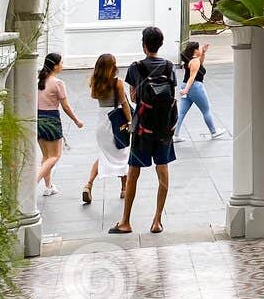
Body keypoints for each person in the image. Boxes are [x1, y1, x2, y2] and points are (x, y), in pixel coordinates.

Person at [109, 26, 177, 236]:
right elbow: (171, 93)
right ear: (160, 44)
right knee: (163, 172)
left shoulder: (135, 67)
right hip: (164, 129)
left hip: (142, 129)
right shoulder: (168, 65)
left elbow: (133, 97)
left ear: (144, 45)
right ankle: (157, 220)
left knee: (133, 174)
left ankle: (126, 221)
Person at [83, 52, 131, 206]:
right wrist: (130, 121)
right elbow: (123, 103)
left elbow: (95, 97)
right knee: (122, 154)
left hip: (101, 121)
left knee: (104, 155)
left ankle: (88, 184)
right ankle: (124, 188)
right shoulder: (117, 82)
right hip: (115, 120)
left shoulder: (95, 82)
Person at [36, 53, 83, 196]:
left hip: (38, 118)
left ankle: (48, 186)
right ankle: (35, 181)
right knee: (54, 156)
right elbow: (66, 106)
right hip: (51, 119)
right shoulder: (58, 83)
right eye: (61, 63)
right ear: (55, 66)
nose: (62, 65)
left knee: (46, 156)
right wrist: (76, 120)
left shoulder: (38, 80)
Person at [176, 39, 225, 138]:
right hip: (195, 87)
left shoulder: (191, 60)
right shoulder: (194, 62)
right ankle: (214, 132)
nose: (200, 50)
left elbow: (200, 63)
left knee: (181, 112)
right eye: (198, 49)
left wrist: (203, 53)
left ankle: (175, 134)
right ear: (195, 50)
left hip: (186, 85)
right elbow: (192, 76)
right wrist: (186, 89)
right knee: (206, 110)